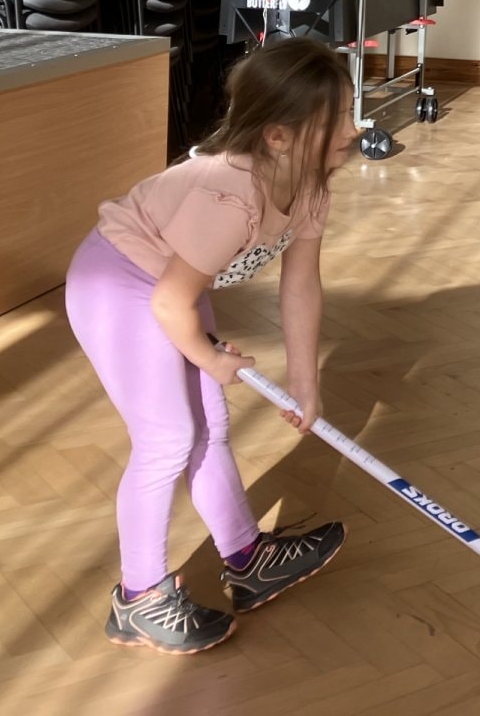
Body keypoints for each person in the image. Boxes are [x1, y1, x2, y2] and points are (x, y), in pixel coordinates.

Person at [66, 38, 358, 654]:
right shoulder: (229, 196)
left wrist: (305, 384)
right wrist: (208, 358)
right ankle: (138, 598)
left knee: (209, 427)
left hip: (170, 283)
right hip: (118, 283)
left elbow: (301, 285)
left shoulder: (311, 185)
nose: (353, 131)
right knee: (167, 438)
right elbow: (169, 303)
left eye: (351, 113)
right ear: (278, 137)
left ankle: (247, 559)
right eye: (337, 121)